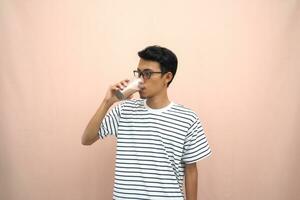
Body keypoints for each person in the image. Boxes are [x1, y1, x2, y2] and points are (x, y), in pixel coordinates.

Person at [81, 45, 212, 200]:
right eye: (139, 73)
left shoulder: (188, 119)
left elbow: (191, 171)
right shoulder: (123, 111)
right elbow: (87, 139)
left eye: (147, 74)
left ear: (167, 77)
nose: (140, 80)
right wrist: (107, 102)